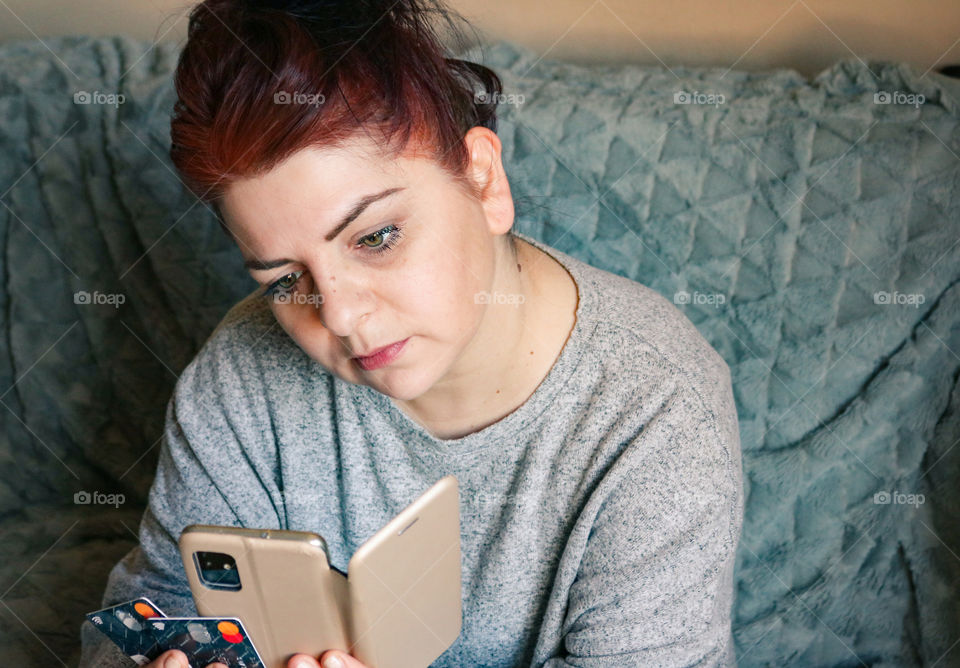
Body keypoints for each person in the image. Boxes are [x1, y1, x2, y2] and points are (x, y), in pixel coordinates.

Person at [79, 0, 745, 666]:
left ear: (482, 180)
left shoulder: (658, 413)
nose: (338, 316)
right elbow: (138, 621)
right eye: (284, 280)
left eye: (376, 238)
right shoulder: (239, 378)